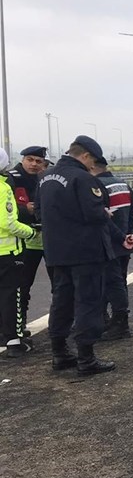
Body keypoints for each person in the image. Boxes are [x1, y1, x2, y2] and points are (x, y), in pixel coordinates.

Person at [36, 136, 119, 375]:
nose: (93, 166)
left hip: (56, 252)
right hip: (85, 252)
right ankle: (86, 358)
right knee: (88, 302)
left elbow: (39, 213)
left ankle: (59, 353)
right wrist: (105, 214)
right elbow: (94, 214)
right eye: (92, 161)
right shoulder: (82, 178)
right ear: (85, 156)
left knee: (61, 301)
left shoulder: (44, 178)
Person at [90, 156, 133, 340]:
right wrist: (132, 233)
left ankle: (118, 324)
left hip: (107, 244)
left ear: (92, 166)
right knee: (119, 282)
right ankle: (112, 321)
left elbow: (100, 218)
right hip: (125, 242)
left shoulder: (95, 186)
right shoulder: (122, 184)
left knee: (109, 283)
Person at [5, 145, 48, 334]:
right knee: (22, 285)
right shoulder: (11, 178)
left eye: (38, 161)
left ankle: (63, 321)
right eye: (30, 159)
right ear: (22, 159)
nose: (34, 164)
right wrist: (26, 210)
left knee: (61, 282)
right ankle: (18, 326)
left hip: (46, 236)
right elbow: (7, 209)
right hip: (24, 239)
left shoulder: (45, 177)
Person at [0, 148, 39, 358]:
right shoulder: (3, 187)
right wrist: (30, 232)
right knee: (12, 295)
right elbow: (9, 223)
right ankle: (14, 341)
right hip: (7, 252)